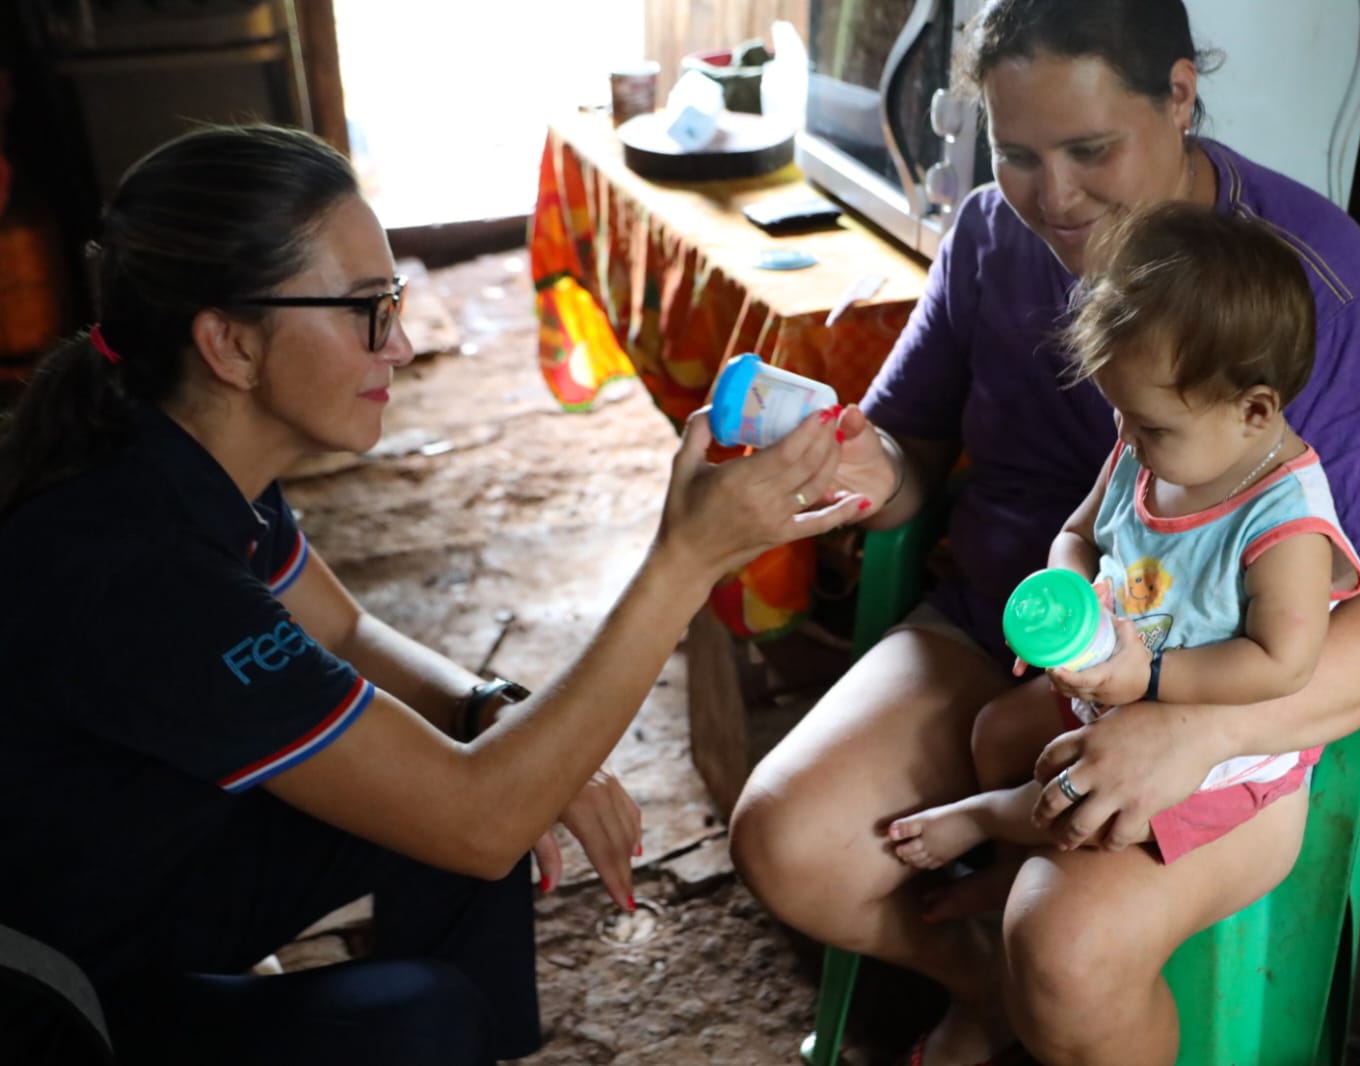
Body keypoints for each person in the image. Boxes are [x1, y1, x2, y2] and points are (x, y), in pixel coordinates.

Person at [0, 124, 867, 1066]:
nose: (403, 345)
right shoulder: (139, 565)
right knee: (420, 1007)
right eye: (367, 309)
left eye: (396, 300)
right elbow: (479, 817)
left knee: (487, 752)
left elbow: (344, 629)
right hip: (62, 995)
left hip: (141, 868)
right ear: (230, 345)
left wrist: (493, 707)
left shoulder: (188, 450)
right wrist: (685, 562)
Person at [728, 2, 1360, 1064]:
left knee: (1070, 945)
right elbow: (911, 454)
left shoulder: (1312, 292)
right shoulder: (991, 233)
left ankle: (1046, 994)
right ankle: (993, 990)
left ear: (1177, 94)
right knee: (790, 844)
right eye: (1017, 153)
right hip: (1019, 628)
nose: (1054, 196)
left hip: (1230, 679)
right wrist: (857, 468)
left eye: (1090, 150)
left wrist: (1196, 723)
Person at [886, 203, 1360, 874]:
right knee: (995, 731)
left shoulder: (1285, 527)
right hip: (1122, 677)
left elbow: (1281, 665)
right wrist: (1072, 591)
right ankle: (998, 876)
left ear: (1254, 411)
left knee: (1074, 801)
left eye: (1149, 426)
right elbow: (1078, 533)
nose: (1125, 439)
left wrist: (1154, 675)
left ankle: (986, 820)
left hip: (1205, 735)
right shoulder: (1145, 451)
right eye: (1121, 414)